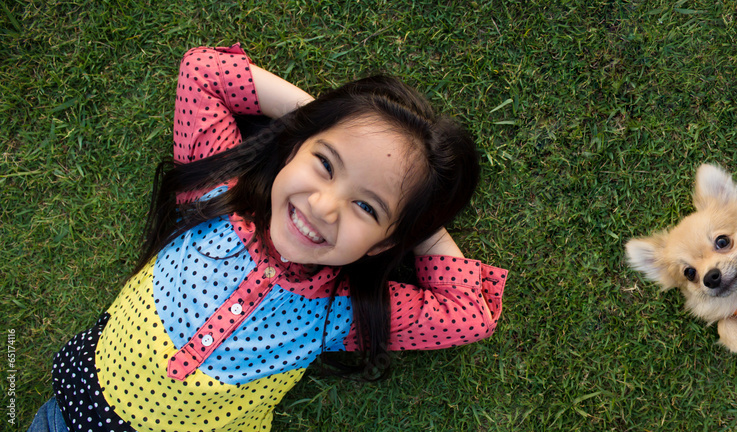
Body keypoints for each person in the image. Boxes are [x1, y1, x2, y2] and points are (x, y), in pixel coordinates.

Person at [28, 43, 507, 432]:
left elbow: (471, 315)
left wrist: (418, 224)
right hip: (63, 413)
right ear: (294, 148)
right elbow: (203, 73)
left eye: (366, 207)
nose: (323, 206)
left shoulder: (342, 311)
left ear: (382, 244)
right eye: (324, 163)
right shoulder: (217, 190)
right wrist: (321, 117)